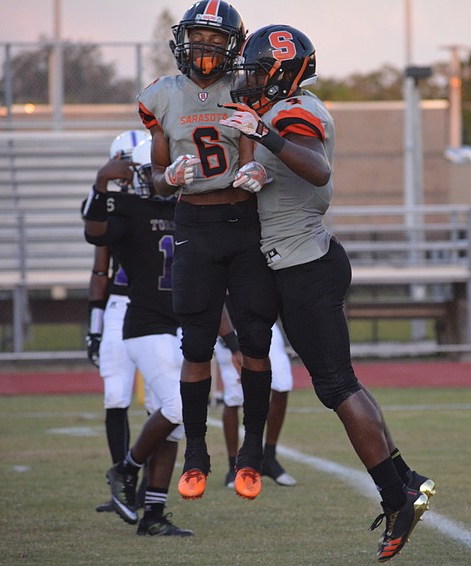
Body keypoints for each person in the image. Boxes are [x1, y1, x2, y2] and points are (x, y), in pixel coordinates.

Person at [220, 24, 433, 562]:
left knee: (337, 387)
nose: (247, 75)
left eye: (257, 67)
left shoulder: (295, 111)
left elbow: (317, 169)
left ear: (282, 71)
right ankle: (404, 478)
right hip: (301, 262)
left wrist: (262, 135)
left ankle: (395, 496)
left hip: (306, 266)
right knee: (342, 383)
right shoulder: (285, 108)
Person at [137, 0, 279, 502]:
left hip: (243, 223)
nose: (206, 48)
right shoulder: (160, 96)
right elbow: (155, 180)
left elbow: (260, 148)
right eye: (200, 37)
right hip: (193, 221)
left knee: (256, 340)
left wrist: (259, 170)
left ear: (234, 47)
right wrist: (168, 176)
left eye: (218, 41)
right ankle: (196, 453)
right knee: (196, 344)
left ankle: (253, 454)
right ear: (183, 40)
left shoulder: (246, 89)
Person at [84, 138, 192, 537]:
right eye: (158, 172)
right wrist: (100, 186)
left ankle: (153, 516)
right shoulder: (129, 207)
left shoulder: (186, 210)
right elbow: (95, 234)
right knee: (178, 408)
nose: (167, 179)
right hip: (145, 325)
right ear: (145, 175)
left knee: (174, 425)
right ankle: (126, 469)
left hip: (181, 326)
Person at [84, 130, 150, 514]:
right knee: (115, 396)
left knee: (162, 403)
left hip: (161, 309)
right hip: (120, 308)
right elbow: (99, 267)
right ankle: (124, 486)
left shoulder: (165, 199)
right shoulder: (107, 207)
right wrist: (94, 326)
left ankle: (147, 491)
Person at [216, 318, 297, 488]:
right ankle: (234, 467)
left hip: (263, 322)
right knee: (234, 397)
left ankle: (269, 457)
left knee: (282, 384)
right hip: (231, 329)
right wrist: (232, 343)